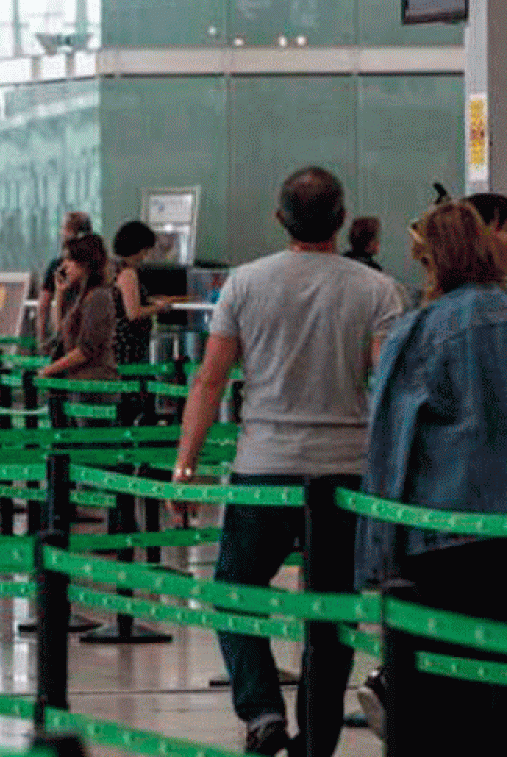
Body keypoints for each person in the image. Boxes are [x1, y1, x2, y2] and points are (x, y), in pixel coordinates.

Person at [173, 167, 404, 757]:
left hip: (263, 471)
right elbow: (387, 389)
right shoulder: (377, 290)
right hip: (344, 477)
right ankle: (317, 742)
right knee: (329, 616)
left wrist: (184, 466)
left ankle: (262, 710)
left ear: (280, 219)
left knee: (234, 591)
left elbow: (210, 380)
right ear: (344, 219)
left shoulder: (245, 285)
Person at [355, 200, 507, 747]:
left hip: (442, 538)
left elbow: (390, 448)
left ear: (429, 261)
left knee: (443, 703)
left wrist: (378, 557)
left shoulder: (418, 333)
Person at [37, 234, 118, 406]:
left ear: (84, 264)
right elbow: (60, 333)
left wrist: (48, 370)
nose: (64, 265)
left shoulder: (98, 297)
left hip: (95, 386)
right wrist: (59, 294)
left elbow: (86, 350)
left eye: (70, 260)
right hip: (79, 383)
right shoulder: (82, 296)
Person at [110, 220, 172, 366]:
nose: (146, 254)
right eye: (146, 249)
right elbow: (133, 313)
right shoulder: (128, 273)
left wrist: (148, 300)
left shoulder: (114, 268)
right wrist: (160, 307)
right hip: (128, 346)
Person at [37, 212, 92, 354]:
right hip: (88, 334)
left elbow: (43, 307)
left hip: (68, 335)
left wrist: (42, 341)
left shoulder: (57, 266)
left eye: (63, 228)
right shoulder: (99, 265)